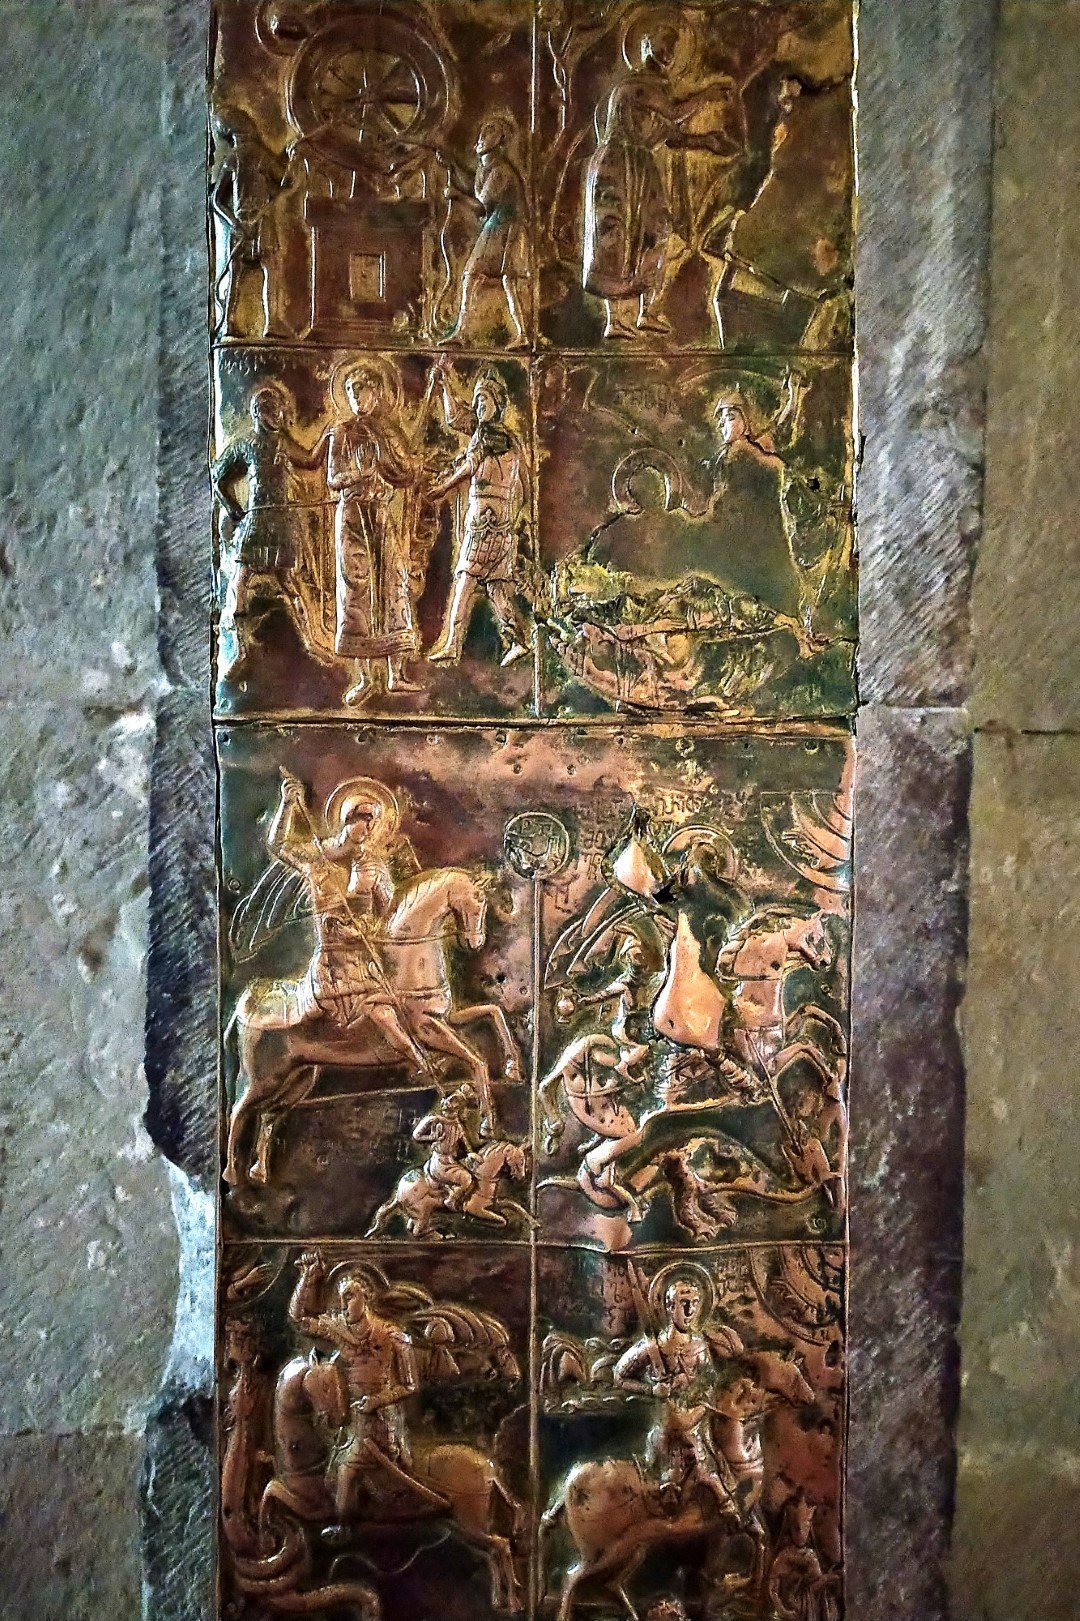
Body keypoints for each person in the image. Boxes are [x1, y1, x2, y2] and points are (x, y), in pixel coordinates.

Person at [265, 771, 425, 1067]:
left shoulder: (374, 865)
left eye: (373, 819)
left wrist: (366, 928)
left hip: (364, 957)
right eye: (363, 817)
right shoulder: (317, 858)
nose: (369, 826)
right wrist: (287, 804)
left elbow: (391, 913)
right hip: (332, 961)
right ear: (347, 819)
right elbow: (280, 847)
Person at [289, 1253, 419, 1528]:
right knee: (333, 1469)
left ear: (367, 1295)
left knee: (347, 1470)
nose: (343, 1304)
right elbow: (300, 1318)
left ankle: (343, 1528)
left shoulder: (393, 1335)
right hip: (351, 1419)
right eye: (341, 1298)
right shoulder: (340, 1330)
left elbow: (410, 1385)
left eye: (349, 1296)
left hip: (382, 1421)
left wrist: (377, 1400)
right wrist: (308, 1278)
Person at [324, 362, 426, 704]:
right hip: (352, 515)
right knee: (358, 587)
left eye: (364, 391)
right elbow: (332, 479)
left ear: (376, 394)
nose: (358, 398)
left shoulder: (386, 432)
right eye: (352, 392)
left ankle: (397, 674)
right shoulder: (340, 433)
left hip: (380, 515)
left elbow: (404, 473)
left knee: (392, 585)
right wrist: (356, 477)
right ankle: (366, 677)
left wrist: (396, 461)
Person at [428, 365, 531, 667]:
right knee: (498, 587)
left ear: (497, 404)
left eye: (483, 402)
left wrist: (441, 487)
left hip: (483, 522)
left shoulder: (486, 436)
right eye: (476, 402)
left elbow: (469, 465)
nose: (477, 407)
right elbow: (454, 418)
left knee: (464, 579)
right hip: (504, 524)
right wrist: (446, 382)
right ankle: (519, 639)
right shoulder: (511, 439)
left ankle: (451, 644)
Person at [211, 383, 315, 669]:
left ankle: (312, 641)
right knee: (239, 581)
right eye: (273, 412)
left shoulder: (283, 443)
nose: (279, 417)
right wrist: (234, 510)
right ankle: (238, 649)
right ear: (259, 413)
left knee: (290, 582)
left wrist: (329, 437)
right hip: (256, 519)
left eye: (281, 411)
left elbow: (310, 459)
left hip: (280, 520)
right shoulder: (246, 445)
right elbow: (219, 478)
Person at [614, 1277, 734, 1514]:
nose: (690, 1310)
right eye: (683, 1303)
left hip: (695, 1422)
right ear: (670, 1307)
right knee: (686, 1470)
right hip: (666, 1429)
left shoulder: (699, 1346)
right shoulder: (652, 1349)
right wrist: (651, 1390)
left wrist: (697, 1401)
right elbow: (619, 1376)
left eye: (694, 1302)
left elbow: (710, 1380)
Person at [445, 114, 529, 348]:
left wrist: (456, 195)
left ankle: (523, 334)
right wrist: (452, 164)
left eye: (490, 130)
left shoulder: (501, 171)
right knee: (476, 278)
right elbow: (476, 185)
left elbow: (481, 206)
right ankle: (462, 332)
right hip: (496, 228)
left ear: (500, 139)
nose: (482, 135)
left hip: (506, 230)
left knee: (504, 281)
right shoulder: (488, 169)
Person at [210, 109, 294, 337]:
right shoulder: (253, 155)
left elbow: (284, 183)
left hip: (253, 220)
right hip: (250, 222)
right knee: (264, 272)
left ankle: (253, 323)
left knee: (246, 273)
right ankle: (240, 323)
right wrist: (235, 224)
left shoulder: (239, 157)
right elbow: (217, 201)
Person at [411, 1089, 477, 1212]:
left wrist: (471, 1154)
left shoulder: (457, 1126)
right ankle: (451, 1200)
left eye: (455, 1101)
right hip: (439, 1162)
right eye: (450, 1100)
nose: (450, 1104)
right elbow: (416, 1135)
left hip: (450, 1161)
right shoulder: (434, 1120)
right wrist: (432, 1137)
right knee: (467, 1179)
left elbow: (466, 1146)